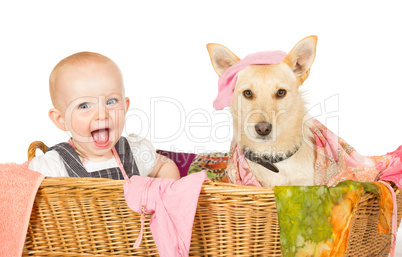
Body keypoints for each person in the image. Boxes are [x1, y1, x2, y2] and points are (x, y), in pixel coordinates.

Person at [29, 52, 180, 180]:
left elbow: (164, 166)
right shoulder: (53, 165)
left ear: (125, 107)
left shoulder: (135, 151)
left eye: (111, 101)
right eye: (84, 106)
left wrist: (169, 195)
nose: (102, 115)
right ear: (61, 119)